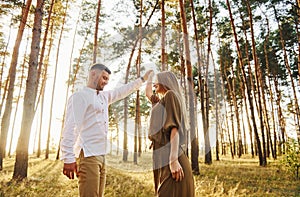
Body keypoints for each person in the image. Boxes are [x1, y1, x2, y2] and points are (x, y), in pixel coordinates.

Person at [60, 63, 153, 197]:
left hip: (101, 155)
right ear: (93, 74)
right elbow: (70, 128)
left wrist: (142, 79)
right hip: (88, 155)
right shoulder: (80, 97)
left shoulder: (104, 97)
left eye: (107, 79)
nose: (105, 82)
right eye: (103, 78)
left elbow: (122, 91)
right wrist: (68, 158)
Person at [145, 71, 195, 197]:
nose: (154, 84)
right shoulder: (160, 103)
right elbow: (148, 93)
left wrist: (173, 160)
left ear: (164, 82)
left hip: (171, 157)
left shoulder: (170, 95)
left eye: (157, 81)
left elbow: (174, 129)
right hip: (162, 157)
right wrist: (149, 77)